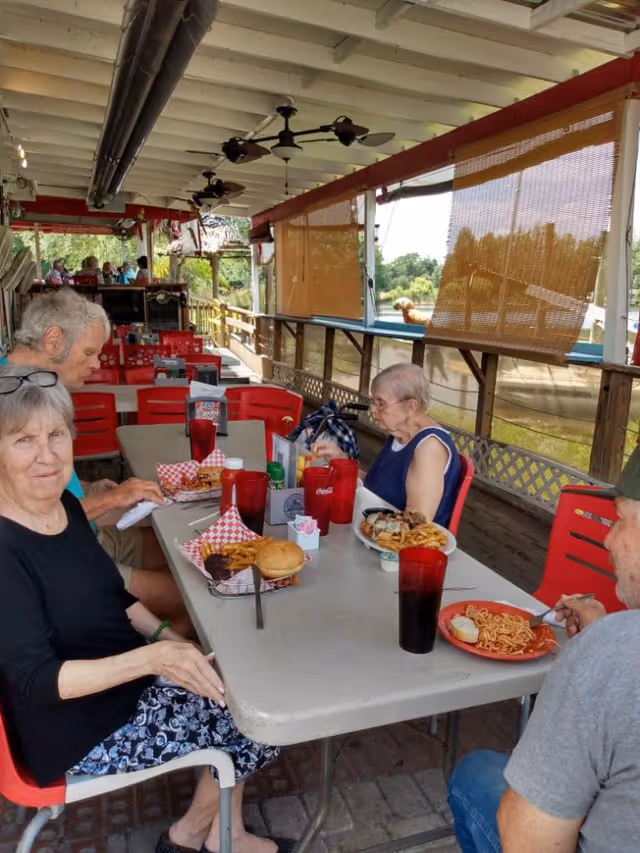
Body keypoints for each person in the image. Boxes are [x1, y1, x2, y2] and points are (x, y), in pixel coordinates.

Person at [0, 365, 288, 853]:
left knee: (251, 672)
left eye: (56, 434)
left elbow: (114, 595)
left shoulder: (61, 508)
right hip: (78, 726)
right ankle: (192, 834)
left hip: (125, 681)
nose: (46, 456)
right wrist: (155, 660)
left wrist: (168, 641)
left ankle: (227, 833)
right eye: (22, 440)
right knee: (262, 711)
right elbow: (37, 683)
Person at [447, 447, 640, 853]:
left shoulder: (610, 654)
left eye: (621, 520)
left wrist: (602, 642)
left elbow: (527, 841)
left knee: (474, 771)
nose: (608, 537)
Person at [3, 288, 193, 636]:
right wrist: (109, 500)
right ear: (53, 340)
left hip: (88, 531)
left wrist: (91, 488)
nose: (97, 364)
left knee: (181, 557)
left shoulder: (41, 388)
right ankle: (154, 667)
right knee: (189, 598)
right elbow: (23, 524)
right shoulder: (10, 398)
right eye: (90, 352)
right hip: (65, 555)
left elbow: (44, 486)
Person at [312, 362, 461, 526]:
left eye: (381, 403)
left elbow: (417, 524)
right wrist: (340, 459)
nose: (373, 410)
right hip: (375, 526)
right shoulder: (399, 435)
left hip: (400, 546)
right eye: (373, 402)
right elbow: (374, 486)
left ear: (410, 406)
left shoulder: (428, 447)